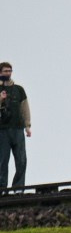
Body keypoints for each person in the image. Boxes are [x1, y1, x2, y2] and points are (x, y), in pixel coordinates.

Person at [0, 61, 28, 189]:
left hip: (17, 128)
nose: (8, 73)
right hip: (2, 130)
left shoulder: (19, 90)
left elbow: (24, 108)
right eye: (5, 71)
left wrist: (27, 125)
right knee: (2, 161)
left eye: (10, 71)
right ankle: (2, 187)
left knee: (21, 160)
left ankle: (18, 187)